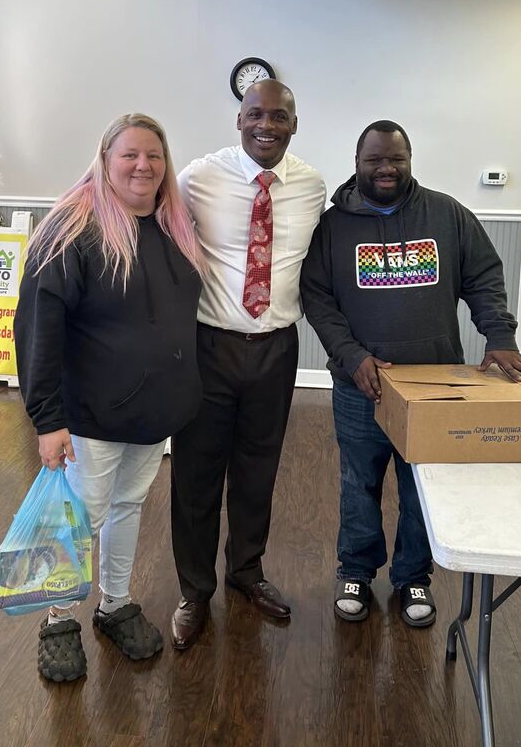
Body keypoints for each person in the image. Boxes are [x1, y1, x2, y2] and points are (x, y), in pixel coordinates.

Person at [300, 120, 521, 628]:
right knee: (358, 481)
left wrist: (498, 336)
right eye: (375, 160)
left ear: (409, 160)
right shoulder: (332, 226)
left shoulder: (448, 214)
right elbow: (318, 300)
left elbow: (483, 276)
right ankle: (356, 571)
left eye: (396, 159)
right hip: (360, 385)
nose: (386, 169)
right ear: (357, 162)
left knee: (421, 486)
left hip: (436, 385)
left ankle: (414, 576)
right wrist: (350, 355)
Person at [14, 113, 204, 682]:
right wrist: (48, 421)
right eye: (129, 155)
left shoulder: (173, 225)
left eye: (154, 155)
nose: (143, 165)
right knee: (81, 517)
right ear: (104, 160)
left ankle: (114, 602)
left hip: (152, 412)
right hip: (89, 414)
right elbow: (38, 329)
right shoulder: (72, 229)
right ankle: (57, 618)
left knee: (125, 508)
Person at [169, 79, 326, 650]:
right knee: (196, 476)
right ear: (238, 120)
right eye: (256, 114)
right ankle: (193, 591)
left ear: (294, 124)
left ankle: (246, 573)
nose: (267, 125)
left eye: (279, 116)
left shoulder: (311, 186)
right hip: (209, 347)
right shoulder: (197, 178)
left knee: (258, 471)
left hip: (276, 350)